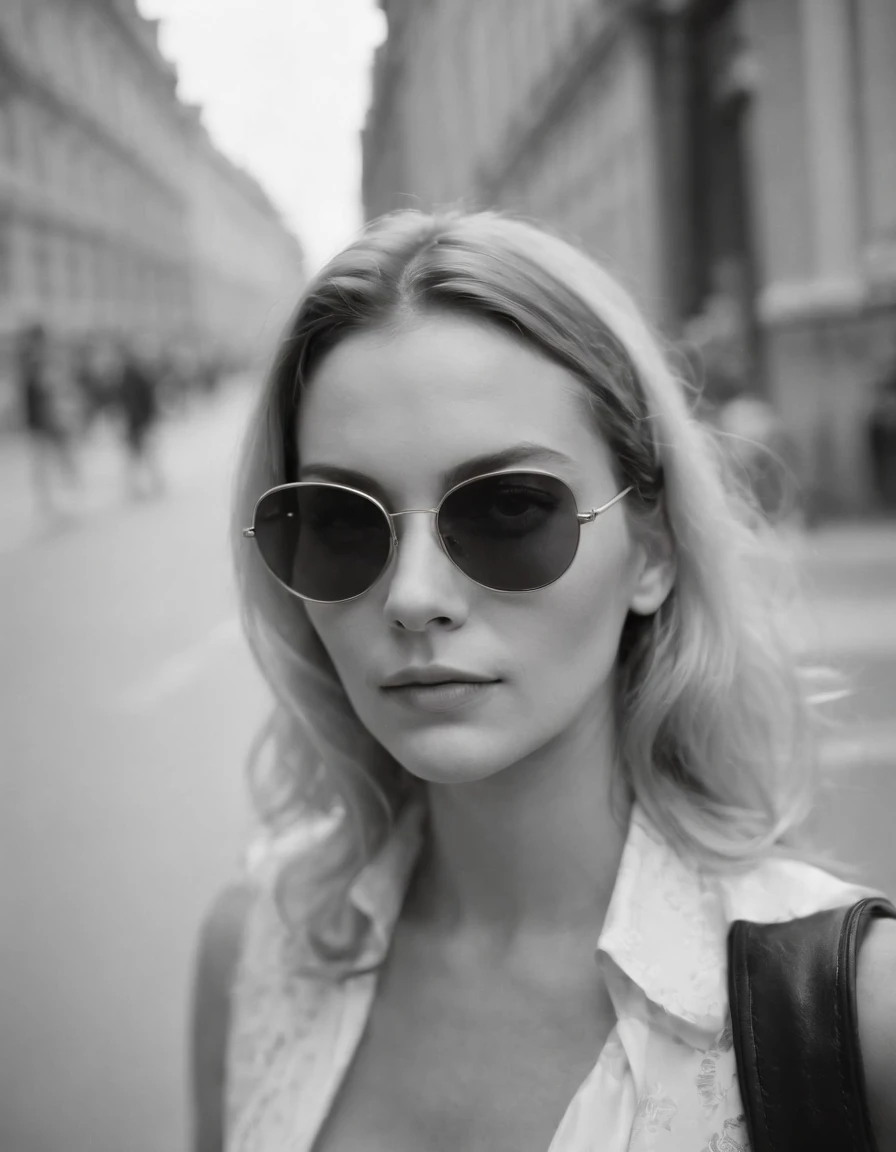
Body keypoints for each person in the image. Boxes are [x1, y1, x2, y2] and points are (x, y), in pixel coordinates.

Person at [192, 212, 896, 1152]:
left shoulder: (858, 1015)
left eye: (510, 508)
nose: (413, 597)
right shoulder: (253, 952)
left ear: (650, 548)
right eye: (340, 523)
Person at [17, 322, 79, 516]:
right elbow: (47, 385)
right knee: (48, 456)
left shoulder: (30, 358)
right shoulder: (35, 360)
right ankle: (53, 495)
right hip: (44, 416)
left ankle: (53, 494)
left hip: (43, 416)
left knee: (47, 456)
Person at [117, 341, 164, 498]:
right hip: (138, 423)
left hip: (138, 422)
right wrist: (142, 422)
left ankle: (144, 485)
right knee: (139, 456)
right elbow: (134, 403)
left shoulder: (133, 375)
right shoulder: (132, 377)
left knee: (142, 455)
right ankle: (137, 487)